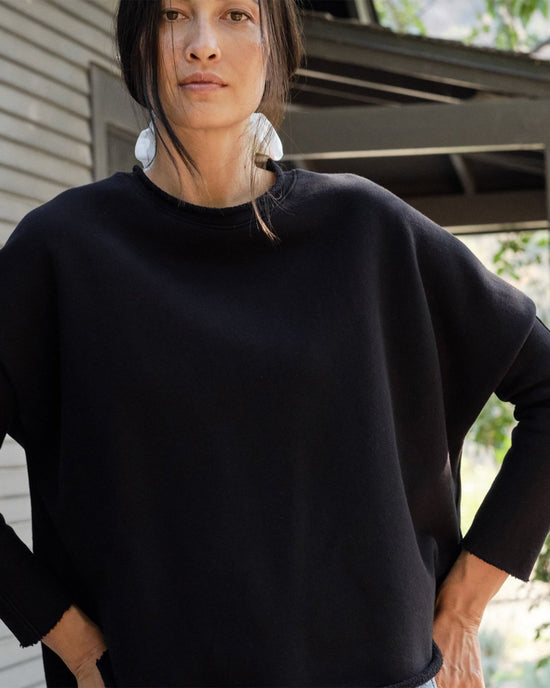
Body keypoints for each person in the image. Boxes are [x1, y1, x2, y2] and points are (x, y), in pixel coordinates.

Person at [0, 1, 549, 687]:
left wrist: (465, 604)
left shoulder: (366, 229)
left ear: (276, 43)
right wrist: (70, 639)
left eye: (235, 13)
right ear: (138, 39)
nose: (202, 44)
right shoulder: (61, 252)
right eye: (174, 14)